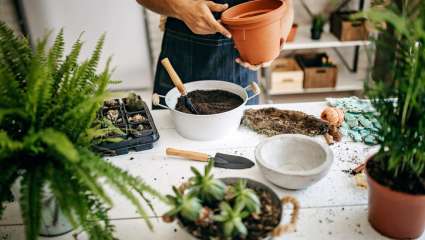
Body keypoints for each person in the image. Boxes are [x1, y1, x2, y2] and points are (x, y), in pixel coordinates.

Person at [136, 0, 294, 105]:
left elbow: (286, 4)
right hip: (181, 55)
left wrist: (273, 45)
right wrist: (181, 8)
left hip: (241, 64)